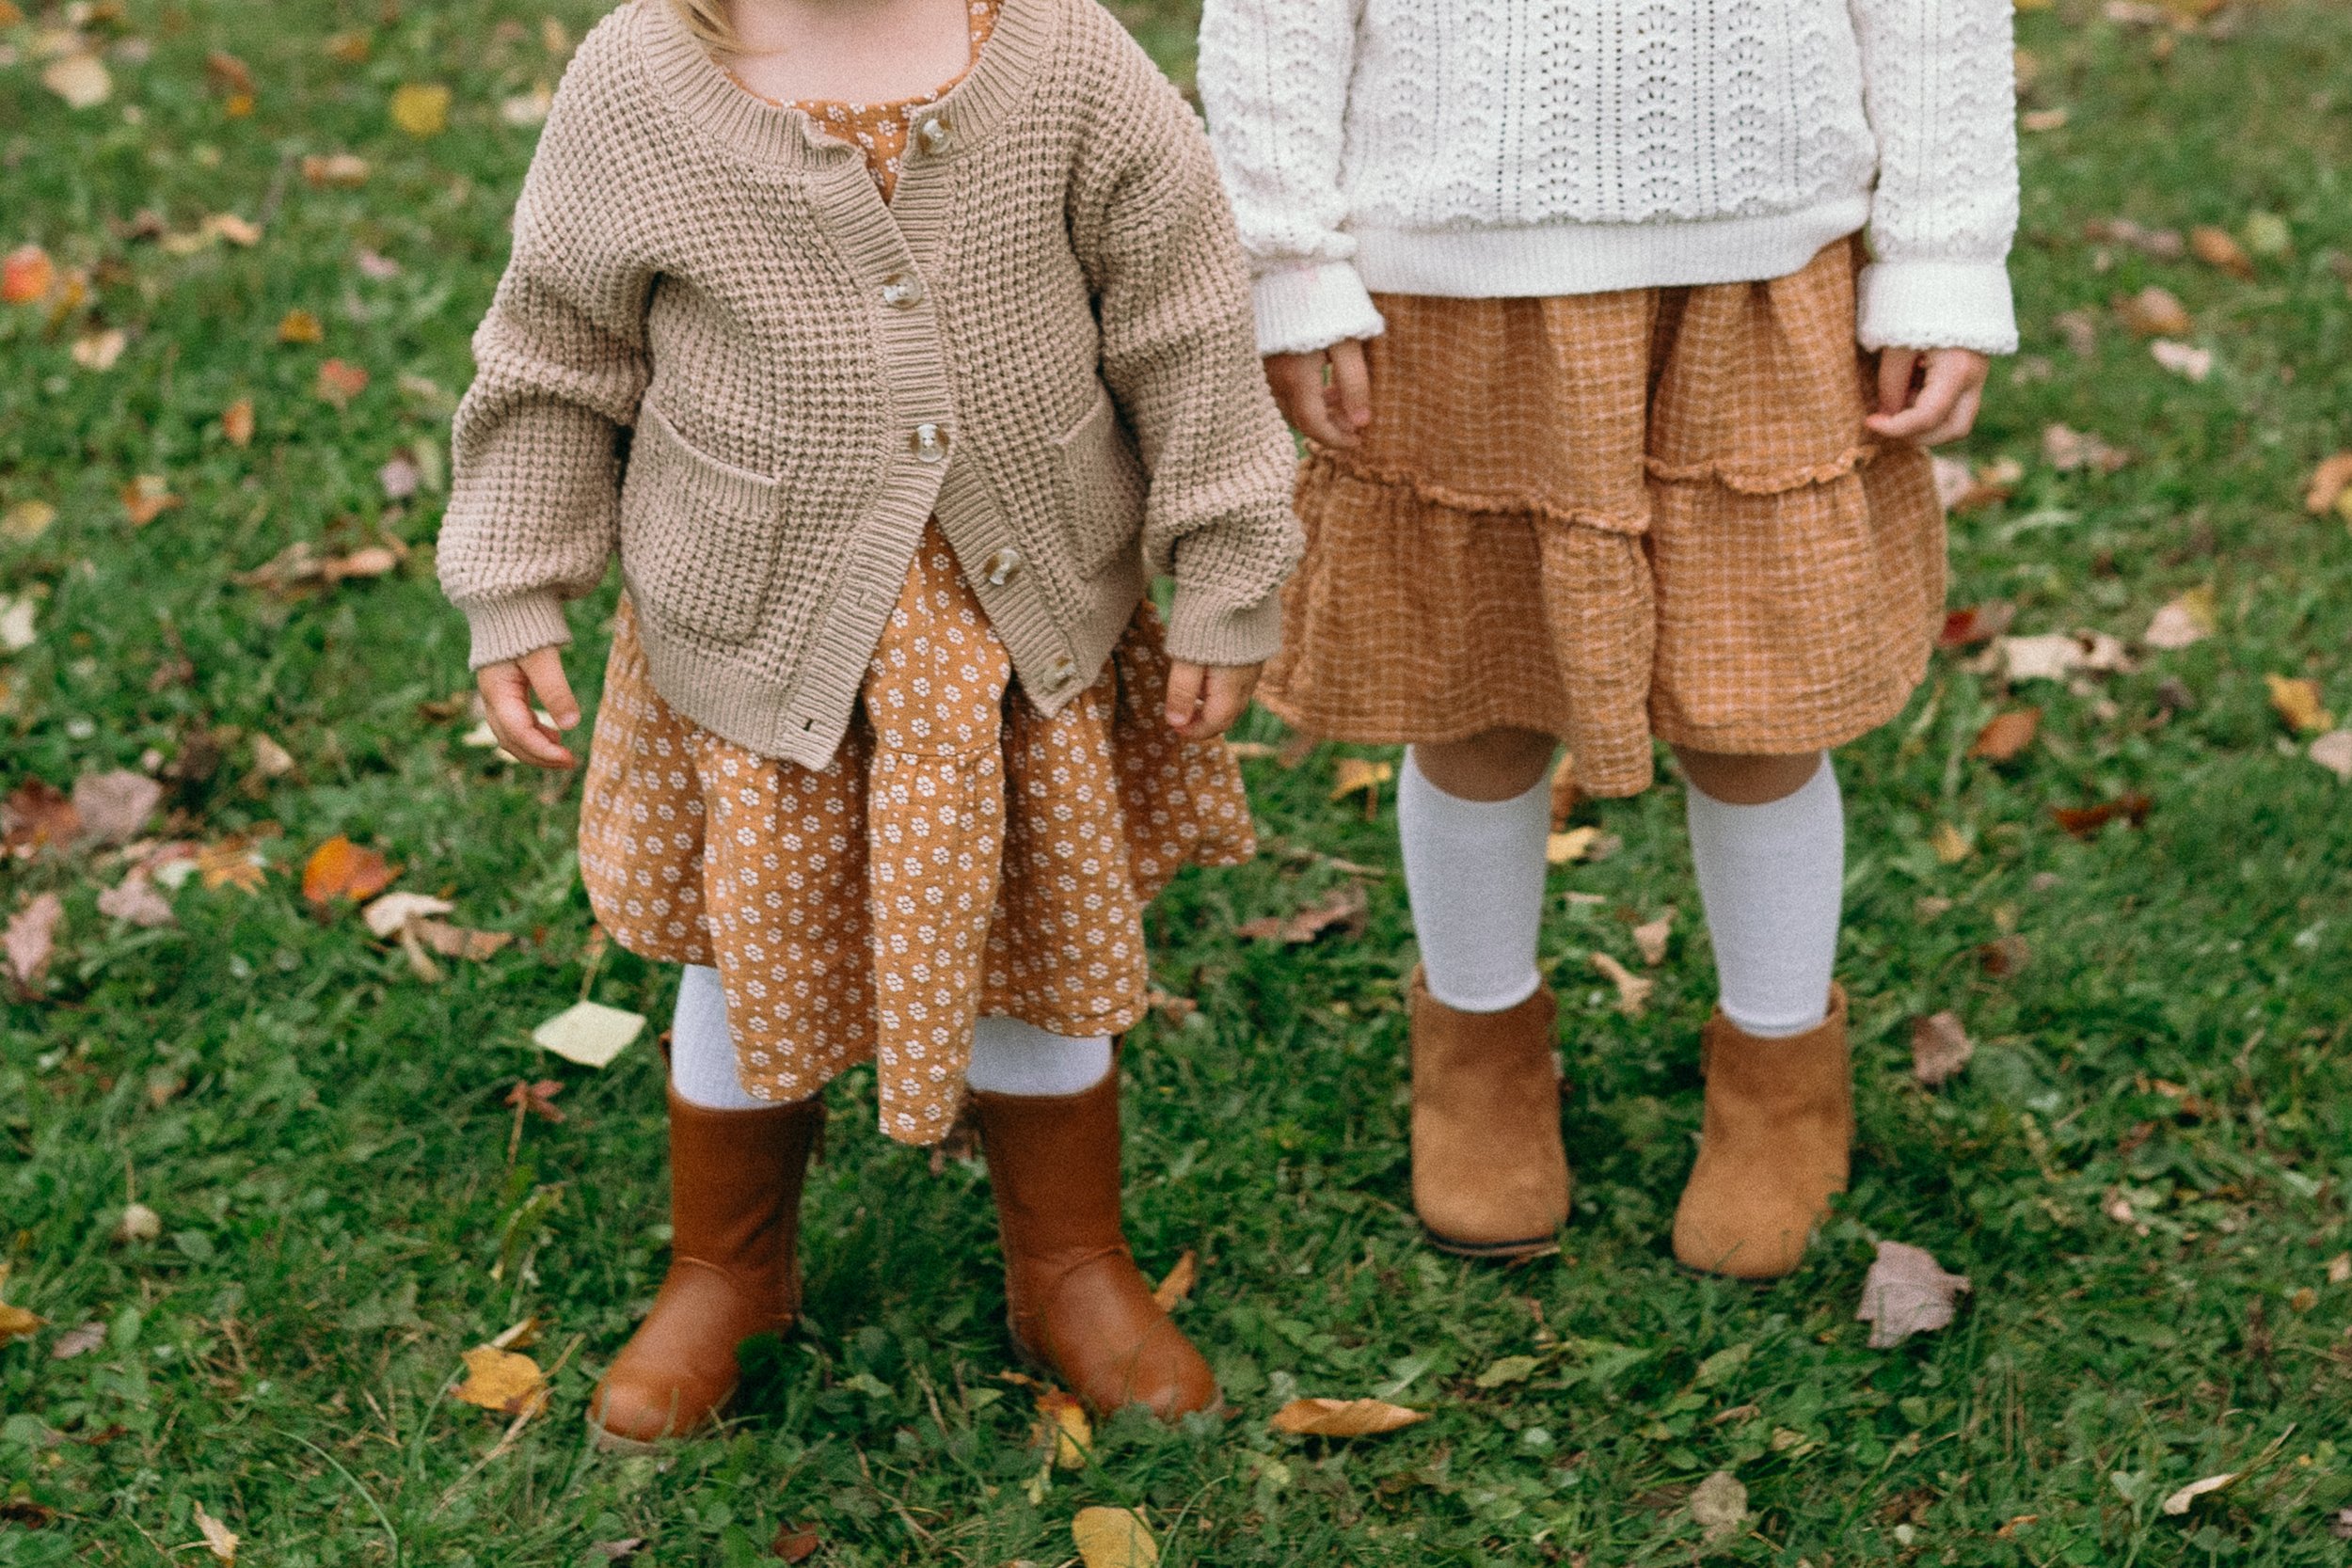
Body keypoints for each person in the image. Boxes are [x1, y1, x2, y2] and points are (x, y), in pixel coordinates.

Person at [438, 0, 1298, 1447]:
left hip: (1013, 619)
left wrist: (1224, 557)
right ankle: (729, 1265)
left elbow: (1188, 319)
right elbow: (557, 354)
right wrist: (514, 581)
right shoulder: (642, 78)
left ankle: (1069, 1260)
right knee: (749, 925)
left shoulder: (1065, 59)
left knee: (1042, 921)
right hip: (761, 624)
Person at [1199, 0, 2017, 1275]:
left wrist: (1946, 254)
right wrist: (1289, 256)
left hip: (1765, 255)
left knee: (1760, 706)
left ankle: (1780, 1070)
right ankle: (1478, 1055)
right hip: (1450, 261)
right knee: (1476, 692)